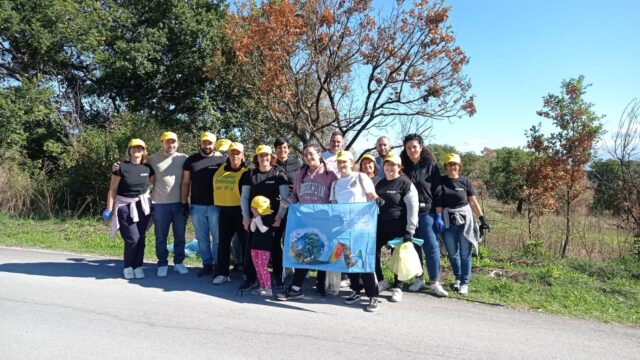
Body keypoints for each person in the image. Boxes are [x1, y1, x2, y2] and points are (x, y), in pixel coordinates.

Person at [277, 143, 338, 301]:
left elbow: (335, 197)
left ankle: (319, 284)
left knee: (323, 251)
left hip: (323, 220)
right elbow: (296, 196)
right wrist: (288, 201)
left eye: (311, 154)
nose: (308, 157)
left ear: (319, 154)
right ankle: (296, 288)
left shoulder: (330, 174)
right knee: (304, 252)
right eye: (305, 155)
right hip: (305, 219)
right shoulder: (300, 173)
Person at [329, 150, 379, 312]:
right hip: (344, 228)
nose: (342, 165)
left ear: (351, 162)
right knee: (349, 260)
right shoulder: (335, 184)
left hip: (361, 227)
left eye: (345, 161)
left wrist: (379, 201)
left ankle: (373, 295)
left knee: (363, 260)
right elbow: (333, 205)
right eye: (339, 162)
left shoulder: (360, 177)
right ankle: (356, 290)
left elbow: (372, 196)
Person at [400, 133, 448, 297]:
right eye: (408, 147)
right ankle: (419, 279)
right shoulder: (402, 167)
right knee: (414, 247)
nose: (412, 149)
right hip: (407, 213)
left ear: (421, 147)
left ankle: (434, 282)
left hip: (427, 212)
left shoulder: (430, 166)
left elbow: (438, 191)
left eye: (415, 146)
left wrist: (439, 215)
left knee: (431, 247)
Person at [435, 153, 490, 295]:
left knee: (465, 253)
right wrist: (438, 217)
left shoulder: (465, 181)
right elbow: (439, 202)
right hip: (448, 222)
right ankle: (458, 278)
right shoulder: (441, 181)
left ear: (459, 167)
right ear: (446, 167)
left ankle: (465, 282)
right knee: (453, 254)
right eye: (449, 164)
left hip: (465, 221)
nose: (452, 167)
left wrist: (482, 219)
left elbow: (472, 201)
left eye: (455, 164)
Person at [368, 153, 418, 304]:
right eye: (387, 165)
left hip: (399, 227)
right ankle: (382, 281)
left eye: (393, 165)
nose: (390, 168)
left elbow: (413, 207)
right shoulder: (380, 183)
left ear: (399, 167)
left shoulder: (405, 183)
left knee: (399, 258)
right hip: (380, 226)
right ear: (383, 166)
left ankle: (398, 287)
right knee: (372, 252)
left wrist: (410, 230)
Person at [240, 145, 289, 292]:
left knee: (275, 247)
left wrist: (280, 216)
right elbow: (244, 197)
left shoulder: (279, 174)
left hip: (274, 220)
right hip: (255, 219)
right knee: (252, 248)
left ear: (271, 157)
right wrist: (246, 217)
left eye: (266, 155)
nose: (264, 158)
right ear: (257, 158)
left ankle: (278, 277)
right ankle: (251, 278)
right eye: (261, 155)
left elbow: (284, 199)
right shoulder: (250, 174)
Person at [103, 139, 154, 279]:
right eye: (134, 148)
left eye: (140, 148)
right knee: (132, 238)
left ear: (144, 151)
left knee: (141, 238)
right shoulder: (120, 167)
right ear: (129, 150)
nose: (137, 150)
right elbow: (112, 189)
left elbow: (158, 183)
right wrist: (109, 208)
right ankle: (128, 266)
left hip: (143, 207)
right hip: (125, 206)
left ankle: (138, 266)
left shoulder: (147, 168)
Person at [182, 132, 226, 277]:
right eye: (204, 142)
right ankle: (207, 264)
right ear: (200, 143)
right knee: (201, 237)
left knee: (218, 237)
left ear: (215, 144)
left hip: (216, 205)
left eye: (210, 143)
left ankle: (217, 264)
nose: (207, 145)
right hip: (197, 205)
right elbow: (186, 182)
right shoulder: (191, 160)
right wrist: (184, 202)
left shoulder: (222, 160)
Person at [148, 132, 189, 277]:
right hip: (159, 204)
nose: (170, 145)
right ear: (162, 143)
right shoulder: (152, 159)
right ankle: (162, 263)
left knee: (180, 236)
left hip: (179, 203)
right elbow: (136, 163)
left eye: (173, 142)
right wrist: (118, 165)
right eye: (167, 142)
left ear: (177, 143)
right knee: (161, 236)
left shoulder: (184, 158)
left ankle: (179, 262)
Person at [212, 142, 249, 285]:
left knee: (245, 242)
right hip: (225, 210)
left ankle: (247, 273)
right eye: (232, 153)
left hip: (241, 211)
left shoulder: (247, 170)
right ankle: (223, 273)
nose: (235, 155)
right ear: (228, 154)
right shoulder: (221, 168)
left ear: (243, 155)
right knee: (223, 243)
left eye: (237, 153)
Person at [273, 137, 302, 286]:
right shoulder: (273, 163)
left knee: (292, 239)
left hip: (293, 205)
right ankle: (281, 269)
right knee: (276, 239)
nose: (281, 150)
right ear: (275, 149)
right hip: (277, 206)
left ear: (288, 149)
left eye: (284, 147)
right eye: (278, 147)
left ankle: (298, 268)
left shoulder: (296, 163)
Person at [248, 195, 277, 297]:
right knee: (257, 267)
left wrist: (258, 219)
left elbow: (263, 229)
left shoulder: (269, 217)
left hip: (264, 247)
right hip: (255, 245)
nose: (252, 210)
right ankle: (262, 286)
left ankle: (268, 288)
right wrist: (254, 219)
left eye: (254, 209)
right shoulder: (256, 217)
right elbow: (252, 229)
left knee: (263, 267)